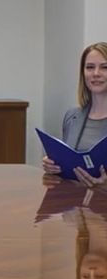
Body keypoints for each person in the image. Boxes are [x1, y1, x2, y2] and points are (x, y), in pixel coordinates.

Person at [43, 42, 107, 186]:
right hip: (73, 198)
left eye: (104, 67)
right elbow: (67, 163)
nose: (96, 73)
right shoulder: (72, 117)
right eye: (90, 67)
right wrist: (53, 165)